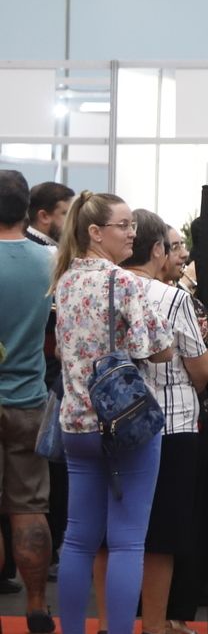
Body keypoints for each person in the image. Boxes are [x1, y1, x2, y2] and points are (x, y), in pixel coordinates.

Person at [52, 191, 175, 634]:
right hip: (124, 423)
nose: (132, 233)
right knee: (127, 541)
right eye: (123, 225)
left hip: (75, 421)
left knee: (79, 539)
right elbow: (160, 348)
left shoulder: (64, 281)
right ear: (95, 233)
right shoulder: (123, 282)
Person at [122, 208, 208, 634]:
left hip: (113, 424)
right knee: (164, 533)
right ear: (155, 249)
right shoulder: (170, 299)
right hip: (170, 424)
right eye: (172, 246)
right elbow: (203, 370)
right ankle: (155, 629)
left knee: (115, 534)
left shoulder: (99, 288)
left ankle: (106, 632)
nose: (179, 255)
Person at [0, 170, 56, 634]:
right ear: (26, 210)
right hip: (29, 400)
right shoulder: (50, 262)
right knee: (29, 508)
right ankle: (37, 609)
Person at [26, 181, 73, 560]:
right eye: (64, 213)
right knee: (39, 481)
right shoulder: (44, 258)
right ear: (43, 216)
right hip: (37, 376)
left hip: (42, 374)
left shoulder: (51, 255)